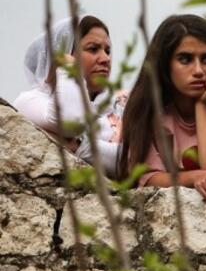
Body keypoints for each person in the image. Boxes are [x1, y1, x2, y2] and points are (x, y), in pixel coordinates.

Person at [119, 14, 206, 208]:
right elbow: (147, 179)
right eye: (185, 59)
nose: (199, 71)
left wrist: (202, 106)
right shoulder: (147, 108)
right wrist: (194, 177)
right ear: (164, 64)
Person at [14, 17, 126, 176]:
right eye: (93, 49)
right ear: (65, 51)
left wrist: (79, 145)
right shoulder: (29, 101)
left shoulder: (121, 106)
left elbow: (134, 161)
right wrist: (68, 68)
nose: (105, 59)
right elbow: (71, 123)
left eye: (107, 51)